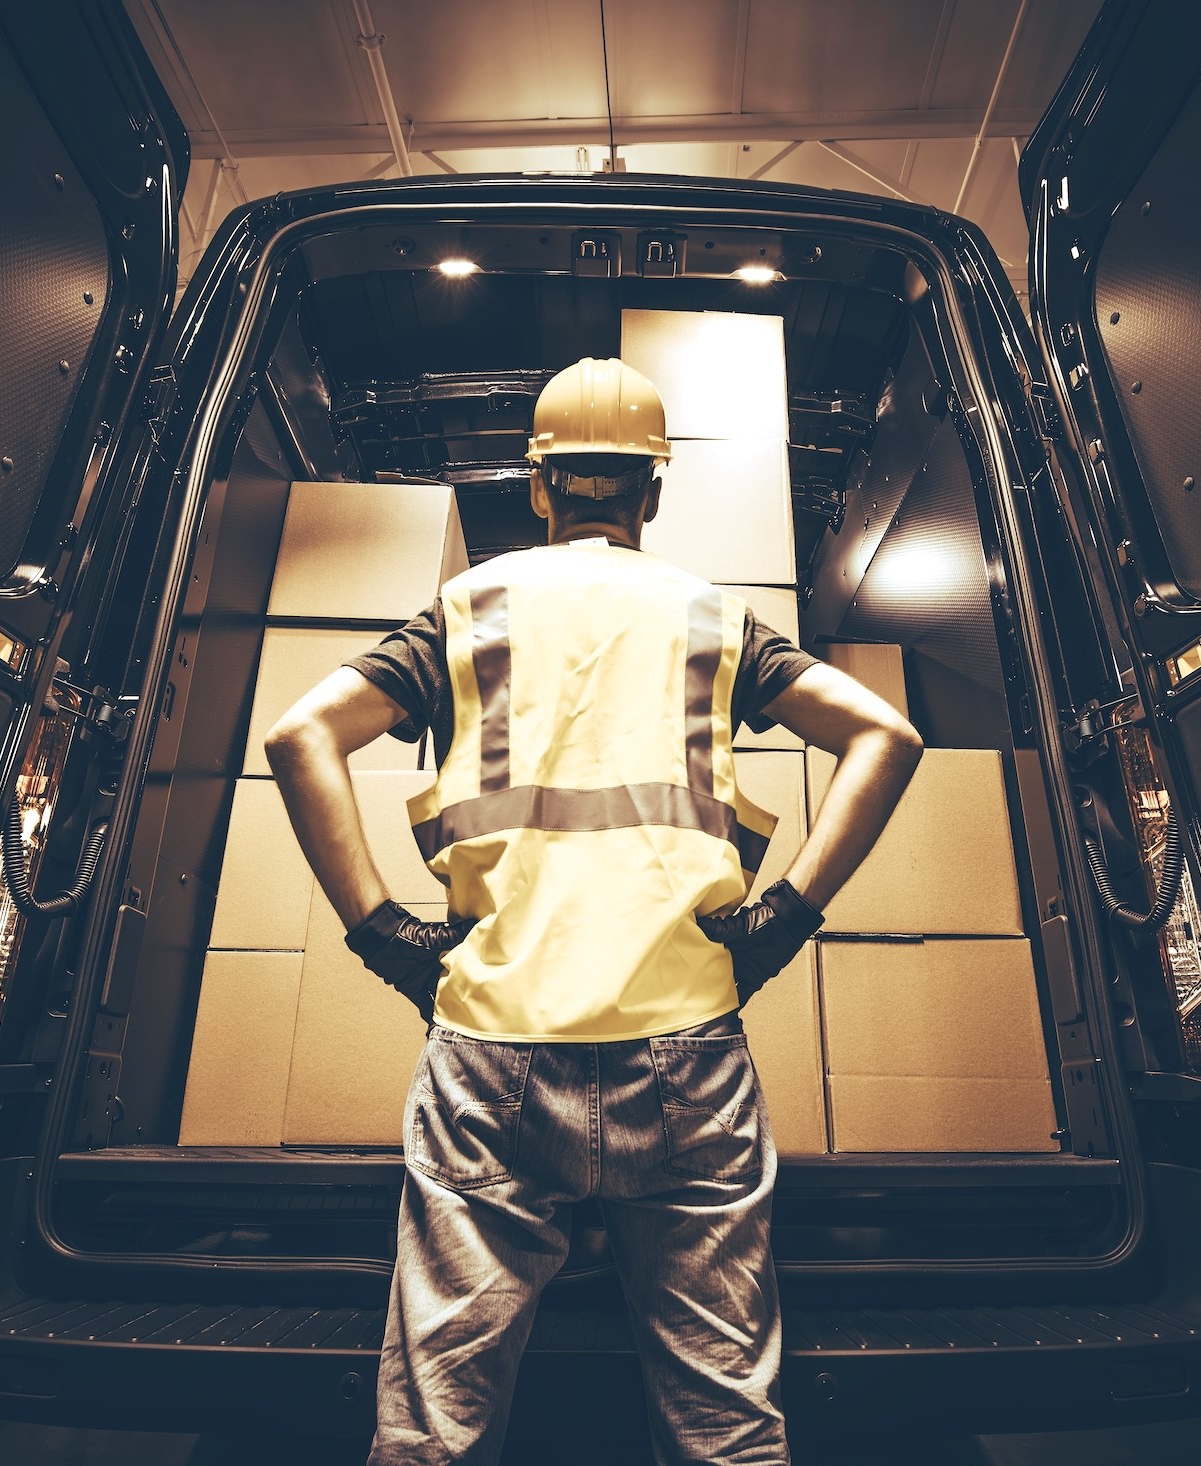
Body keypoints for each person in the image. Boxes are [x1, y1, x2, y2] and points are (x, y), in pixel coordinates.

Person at [264, 356, 922, 1466]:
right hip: (686, 1046)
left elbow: (299, 736)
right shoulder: (713, 617)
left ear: (538, 486)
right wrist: (784, 917)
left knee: (436, 1421)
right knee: (725, 1415)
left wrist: (384, 933)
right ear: (651, 494)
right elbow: (884, 737)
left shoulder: (466, 611)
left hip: (488, 1042)